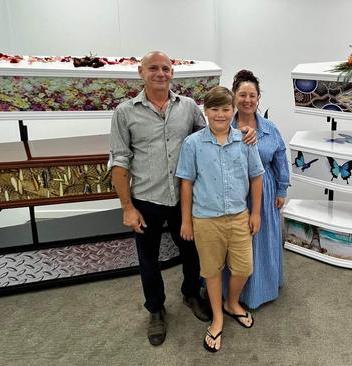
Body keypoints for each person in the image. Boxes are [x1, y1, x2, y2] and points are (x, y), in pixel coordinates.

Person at [109, 51, 256, 346]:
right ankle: (156, 310)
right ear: (141, 72)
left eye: (165, 68)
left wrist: (244, 130)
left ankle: (191, 293)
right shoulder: (124, 112)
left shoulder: (188, 107)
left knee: (192, 254)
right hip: (146, 199)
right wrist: (127, 207)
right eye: (153, 68)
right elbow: (119, 160)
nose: (160, 73)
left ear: (172, 73)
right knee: (148, 260)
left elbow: (213, 136)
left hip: (183, 199)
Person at [176, 86, 264, 353]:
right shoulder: (193, 144)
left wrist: (256, 212)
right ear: (206, 111)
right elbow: (187, 183)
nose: (220, 114)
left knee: (244, 268)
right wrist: (186, 221)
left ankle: (232, 302)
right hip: (205, 220)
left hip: (239, 216)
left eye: (226, 109)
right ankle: (217, 317)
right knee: (211, 271)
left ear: (233, 110)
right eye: (214, 109)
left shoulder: (245, 141)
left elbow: (256, 176)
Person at [229, 69, 290, 309]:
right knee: (235, 242)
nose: (247, 100)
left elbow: (280, 157)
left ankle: (261, 288)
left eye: (252, 95)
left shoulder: (270, 128)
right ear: (234, 96)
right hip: (234, 191)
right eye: (242, 94)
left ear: (258, 98)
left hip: (264, 191)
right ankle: (233, 292)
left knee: (263, 239)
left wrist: (282, 190)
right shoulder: (225, 126)